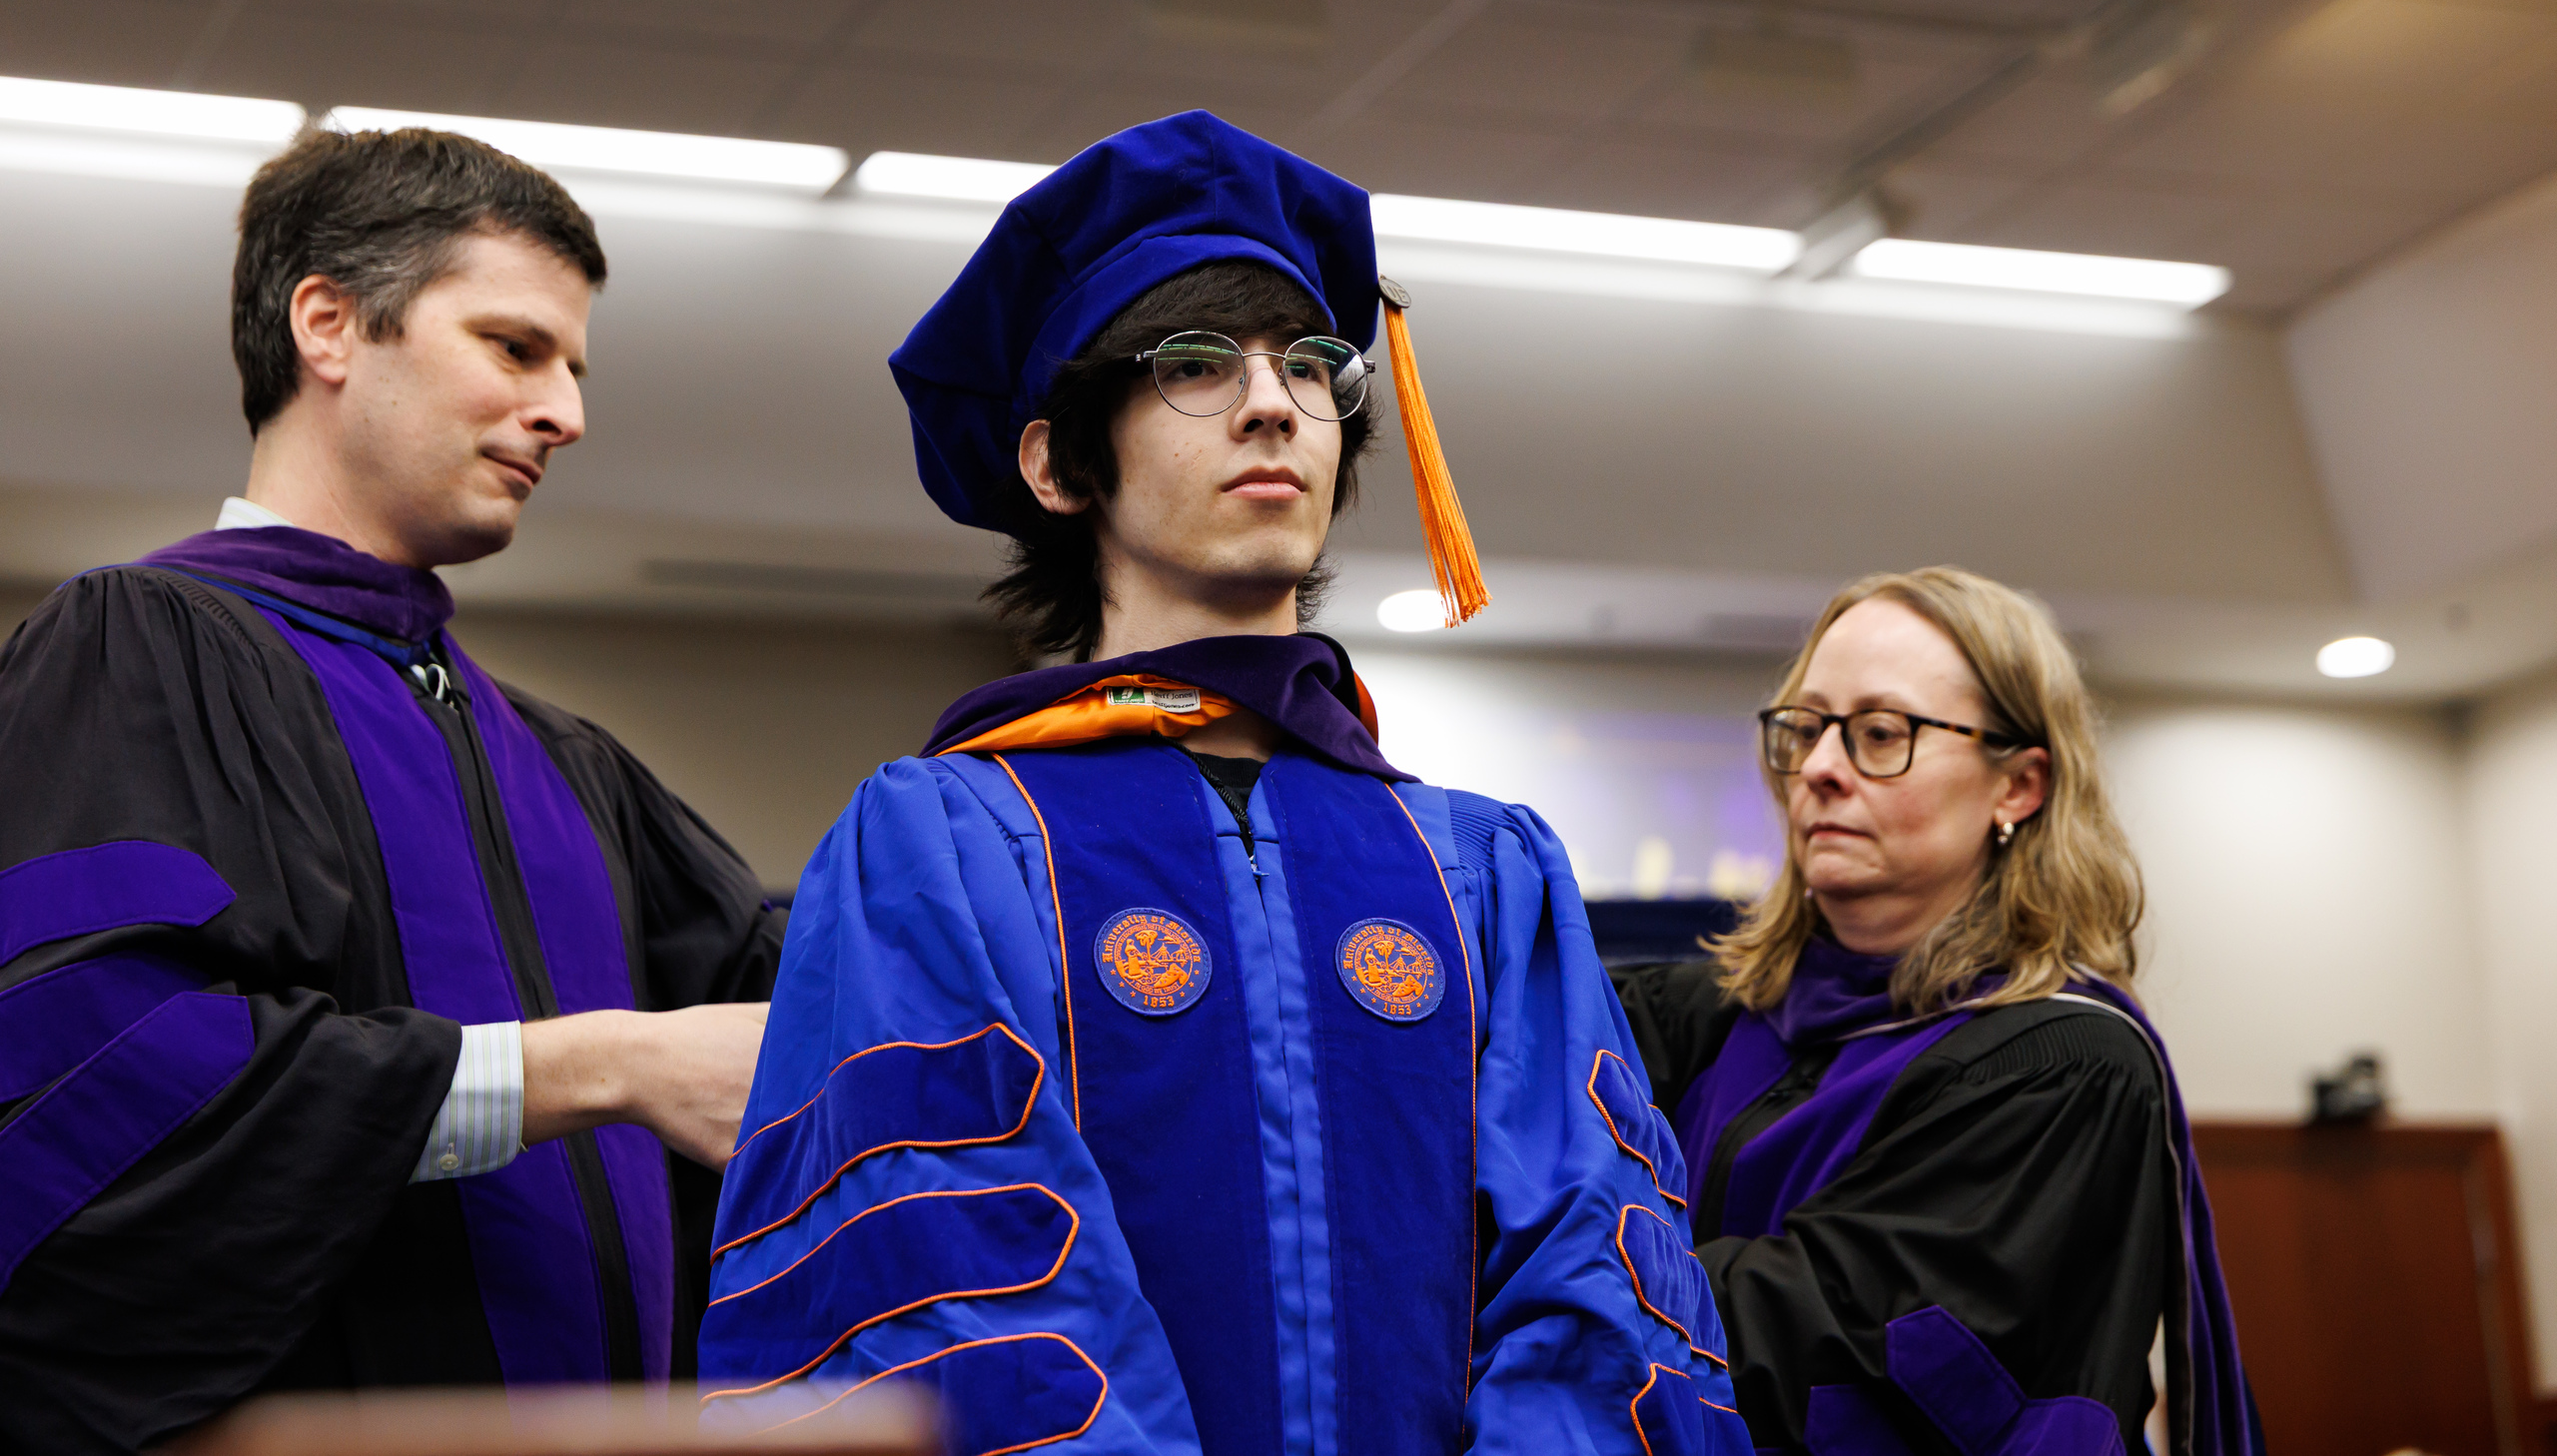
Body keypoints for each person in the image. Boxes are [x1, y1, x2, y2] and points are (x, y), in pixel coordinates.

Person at [697, 112, 1748, 1456]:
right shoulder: (951, 839)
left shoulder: (1480, 867)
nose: (1275, 402)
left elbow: (1598, 1271)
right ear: (1058, 462)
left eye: (1311, 365)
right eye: (1194, 363)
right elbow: (941, 1278)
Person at [0, 128, 781, 1452]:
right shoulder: (139, 651)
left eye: (575, 368)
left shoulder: (567, 761)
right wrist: (605, 1064)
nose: (569, 414)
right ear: (329, 323)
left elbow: (823, 982)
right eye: (517, 347)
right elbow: (95, 1093)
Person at [1613, 567, 2260, 1456]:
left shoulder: (2064, 1061)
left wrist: (1564, 1275)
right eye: (1804, 729)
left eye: (1882, 733)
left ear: (2020, 785)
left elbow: (1832, 1329)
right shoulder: (1714, 1015)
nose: (1824, 770)